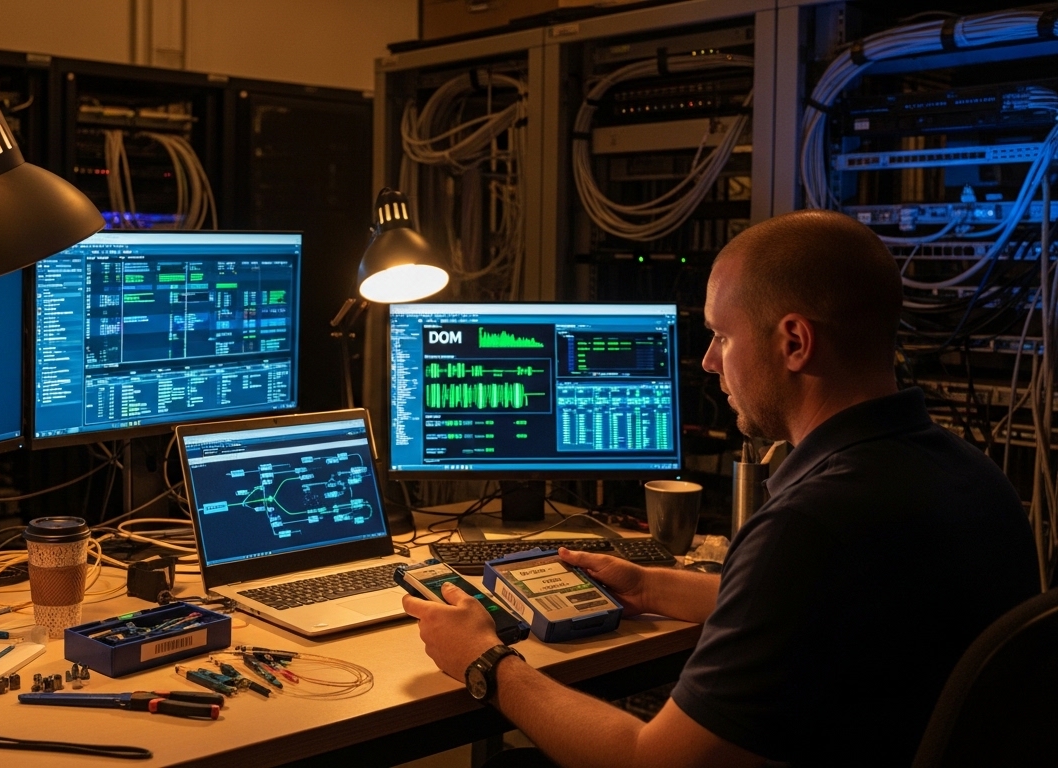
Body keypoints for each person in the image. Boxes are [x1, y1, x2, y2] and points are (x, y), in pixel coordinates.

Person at [403, 210, 1039, 767]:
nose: (709, 361)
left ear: (794, 341)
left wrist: (486, 662)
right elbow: (835, 615)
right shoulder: (974, 478)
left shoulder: (810, 525)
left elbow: (650, 764)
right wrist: (649, 585)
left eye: (723, 335)